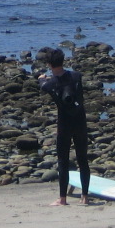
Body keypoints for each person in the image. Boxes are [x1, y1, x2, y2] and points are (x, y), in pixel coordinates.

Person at [38, 47, 91, 205]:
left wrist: (42, 78)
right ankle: (85, 197)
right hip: (80, 120)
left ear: (49, 64)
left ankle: (62, 199)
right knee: (83, 159)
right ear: (63, 61)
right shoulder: (76, 76)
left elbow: (44, 85)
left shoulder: (50, 84)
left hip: (65, 123)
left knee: (63, 160)